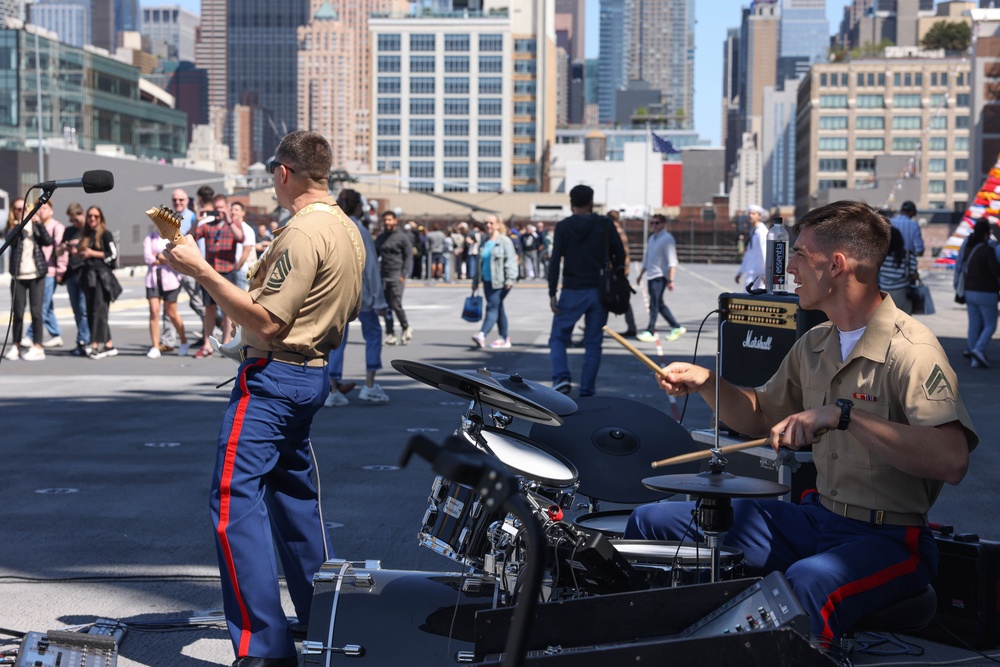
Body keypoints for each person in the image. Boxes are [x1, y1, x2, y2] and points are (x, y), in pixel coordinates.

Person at [625, 200, 978, 648]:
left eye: (799, 254)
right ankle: (655, 648)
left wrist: (843, 416)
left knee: (808, 581)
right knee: (652, 523)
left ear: (836, 265)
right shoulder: (815, 342)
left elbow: (952, 460)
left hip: (892, 538)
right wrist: (706, 382)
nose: (789, 266)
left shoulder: (913, 350)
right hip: (818, 519)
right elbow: (760, 417)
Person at [163, 130, 364, 667]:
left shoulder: (302, 233)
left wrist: (200, 270)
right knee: (294, 495)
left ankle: (264, 647)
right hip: (312, 371)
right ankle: (324, 620)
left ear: (283, 173)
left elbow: (269, 320)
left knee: (233, 500)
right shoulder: (347, 229)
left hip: (276, 377)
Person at [547, 184, 625, 397]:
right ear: (591, 201)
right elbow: (620, 253)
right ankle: (587, 388)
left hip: (572, 289)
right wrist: (615, 273)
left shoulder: (563, 226)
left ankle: (561, 377)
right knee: (593, 342)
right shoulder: (604, 224)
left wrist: (552, 292)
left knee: (558, 337)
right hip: (599, 290)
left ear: (571, 202)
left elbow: (555, 261)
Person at [326, 188, 390, 406]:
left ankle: (332, 388)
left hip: (335, 292)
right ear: (358, 206)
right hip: (361, 293)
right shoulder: (359, 229)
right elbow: (371, 266)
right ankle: (370, 385)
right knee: (373, 333)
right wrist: (379, 299)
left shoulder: (332, 226)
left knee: (337, 339)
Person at [191, 193, 245, 358]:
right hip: (210, 272)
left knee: (228, 310)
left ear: (227, 208)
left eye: (221, 208)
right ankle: (207, 343)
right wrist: (197, 220)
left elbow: (240, 238)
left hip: (227, 272)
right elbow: (191, 236)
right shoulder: (208, 226)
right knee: (209, 309)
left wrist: (228, 221)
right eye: (216, 209)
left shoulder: (233, 225)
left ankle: (226, 341)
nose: (218, 212)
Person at [3, 197, 53, 361]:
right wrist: (20, 224)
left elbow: (47, 241)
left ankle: (38, 346)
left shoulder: (36, 225)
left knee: (36, 312)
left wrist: (38, 223)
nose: (20, 211)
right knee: (17, 312)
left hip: (36, 275)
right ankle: (16, 345)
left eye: (23, 208)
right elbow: (10, 241)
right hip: (18, 275)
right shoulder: (12, 228)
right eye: (17, 209)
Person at [955, 219, 1000, 368]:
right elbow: (995, 271)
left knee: (974, 324)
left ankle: (974, 357)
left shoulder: (968, 246)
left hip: (969, 290)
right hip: (986, 292)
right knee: (990, 325)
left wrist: (956, 284)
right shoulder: (988, 250)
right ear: (987, 234)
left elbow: (959, 264)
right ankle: (978, 350)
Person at [77, 206, 120, 359]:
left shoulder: (105, 234)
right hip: (88, 277)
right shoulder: (86, 235)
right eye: (90, 216)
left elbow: (113, 255)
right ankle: (108, 344)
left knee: (99, 311)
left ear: (101, 218)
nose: (92, 219)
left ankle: (95, 344)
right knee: (91, 311)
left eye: (95, 216)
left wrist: (92, 253)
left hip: (102, 278)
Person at [635, 214, 686, 343]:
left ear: (663, 223)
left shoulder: (667, 239)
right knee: (659, 304)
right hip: (651, 276)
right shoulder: (652, 238)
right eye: (652, 223)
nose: (654, 225)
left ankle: (650, 330)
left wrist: (671, 280)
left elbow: (672, 261)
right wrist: (641, 274)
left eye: (657, 223)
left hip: (660, 276)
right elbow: (647, 259)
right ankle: (676, 326)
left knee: (654, 304)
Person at [471, 215, 518, 349]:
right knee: (498, 308)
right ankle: (504, 338)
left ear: (498, 225)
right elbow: (479, 263)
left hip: (500, 282)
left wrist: (510, 279)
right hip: (487, 281)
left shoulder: (505, 241)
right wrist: (475, 281)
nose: (488, 225)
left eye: (491, 223)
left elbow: (511, 262)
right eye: (486, 223)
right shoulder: (484, 241)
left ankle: (482, 334)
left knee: (492, 307)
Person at [24, 201, 66, 349]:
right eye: (39, 208)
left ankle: (30, 335)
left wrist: (61, 269)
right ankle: (55, 334)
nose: (41, 211)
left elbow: (61, 249)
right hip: (39, 270)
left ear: (51, 210)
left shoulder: (57, 227)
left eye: (44, 208)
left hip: (51, 271)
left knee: (41, 305)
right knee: (47, 306)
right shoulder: (37, 225)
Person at [143, 227, 189, 358]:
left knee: (171, 313)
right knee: (154, 311)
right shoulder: (149, 238)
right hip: (152, 279)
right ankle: (155, 346)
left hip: (171, 280)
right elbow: (148, 258)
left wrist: (159, 257)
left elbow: (174, 257)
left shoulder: (172, 239)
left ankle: (184, 341)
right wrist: (162, 258)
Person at [374, 210, 413, 345]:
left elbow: (408, 256)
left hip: (397, 275)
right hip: (383, 275)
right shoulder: (381, 237)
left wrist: (404, 274)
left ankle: (406, 327)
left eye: (390, 220)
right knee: (386, 307)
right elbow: (374, 255)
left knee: (396, 304)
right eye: (385, 220)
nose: (387, 222)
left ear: (395, 221)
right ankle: (390, 334)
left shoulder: (402, 237)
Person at [60, 203, 91, 356]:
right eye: (72, 220)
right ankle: (81, 339)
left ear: (82, 214)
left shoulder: (88, 230)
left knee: (84, 309)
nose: (75, 223)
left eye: (77, 220)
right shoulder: (69, 231)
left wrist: (79, 246)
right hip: (72, 272)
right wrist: (65, 247)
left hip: (85, 272)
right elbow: (57, 250)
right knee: (76, 310)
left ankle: (85, 340)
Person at [877, 226, 918, 316]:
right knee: (903, 321)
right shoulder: (907, 255)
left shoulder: (880, 256)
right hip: (902, 292)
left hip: (883, 293)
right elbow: (913, 274)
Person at [735, 204, 768, 291]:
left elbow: (765, 252)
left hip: (759, 271)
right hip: (752, 269)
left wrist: (766, 273)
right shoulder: (754, 231)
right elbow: (749, 253)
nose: (750, 215)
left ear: (760, 216)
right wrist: (740, 272)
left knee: (751, 297)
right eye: (749, 213)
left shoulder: (762, 232)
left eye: (754, 213)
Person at [231, 201, 257, 291]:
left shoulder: (247, 229)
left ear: (243, 213)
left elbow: (246, 251)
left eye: (236, 210)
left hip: (241, 270)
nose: (233, 212)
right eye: (231, 209)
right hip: (230, 270)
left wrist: (237, 267)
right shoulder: (229, 227)